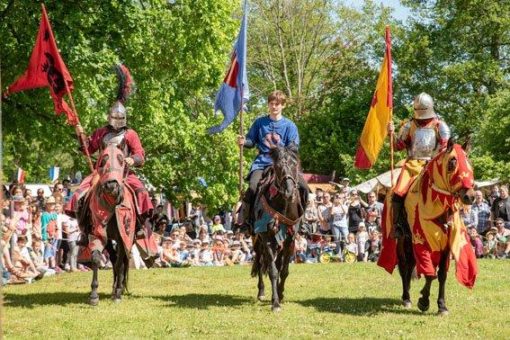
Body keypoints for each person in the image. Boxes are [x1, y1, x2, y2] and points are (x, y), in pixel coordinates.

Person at [66, 65, 152, 243]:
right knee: (79, 195)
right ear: (110, 117)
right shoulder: (101, 132)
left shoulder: (130, 134)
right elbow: (88, 150)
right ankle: (85, 229)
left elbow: (140, 155)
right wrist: (80, 135)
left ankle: (139, 227)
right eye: (116, 118)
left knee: (142, 192)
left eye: (121, 119)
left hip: (124, 175)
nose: (118, 122)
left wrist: (131, 159)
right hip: (101, 174)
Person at [236, 90, 308, 231]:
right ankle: (246, 220)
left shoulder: (290, 125)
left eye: (277, 104)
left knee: (304, 188)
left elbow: (293, 146)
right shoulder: (260, 123)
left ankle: (302, 220)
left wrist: (286, 152)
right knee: (252, 186)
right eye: (272, 104)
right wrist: (244, 141)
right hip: (262, 162)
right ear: (268, 105)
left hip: (283, 164)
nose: (274, 106)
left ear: (283, 106)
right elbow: (252, 141)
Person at [387, 92, 450, 238]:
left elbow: (445, 148)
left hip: (432, 164)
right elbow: (398, 146)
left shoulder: (440, 126)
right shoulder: (409, 126)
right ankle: (398, 225)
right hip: (412, 164)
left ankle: (450, 220)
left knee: (450, 189)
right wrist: (391, 134)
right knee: (398, 192)